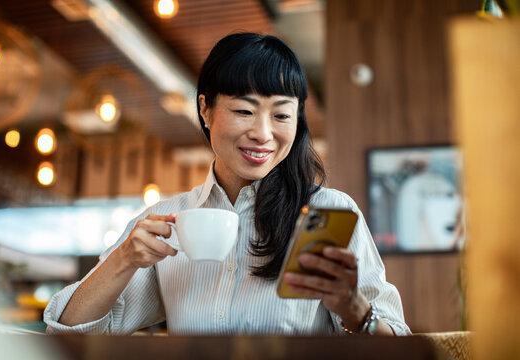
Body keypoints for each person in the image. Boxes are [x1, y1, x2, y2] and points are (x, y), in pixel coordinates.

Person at [44, 33, 410, 336]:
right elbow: (69, 332)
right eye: (244, 111)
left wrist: (355, 309)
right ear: (205, 110)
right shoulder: (167, 221)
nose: (263, 134)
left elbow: (399, 344)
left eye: (281, 115)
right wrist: (123, 259)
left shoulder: (326, 213)